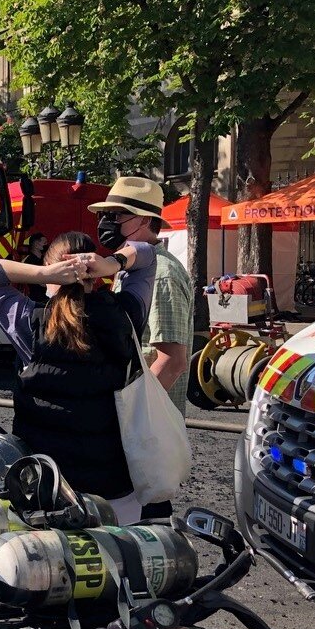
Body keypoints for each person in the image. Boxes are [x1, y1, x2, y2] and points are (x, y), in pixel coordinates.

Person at [0, 232, 157, 523]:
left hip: (45, 489)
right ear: (96, 276)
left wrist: (42, 273)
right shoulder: (125, 316)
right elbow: (146, 255)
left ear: (52, 274)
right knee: (119, 564)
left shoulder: (28, 322)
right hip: (115, 486)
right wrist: (113, 262)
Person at [90, 178, 193, 519]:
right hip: (139, 421)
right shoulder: (133, 270)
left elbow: (172, 359)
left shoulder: (161, 272)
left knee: (147, 516)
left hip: (145, 426)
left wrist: (131, 417)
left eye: (118, 215)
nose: (108, 223)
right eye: (108, 214)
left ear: (145, 221)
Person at [20, 232, 49, 304]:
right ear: (36, 244)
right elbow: (39, 281)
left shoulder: (45, 259)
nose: (47, 245)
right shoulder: (29, 261)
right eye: (44, 243)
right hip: (37, 299)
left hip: (47, 297)